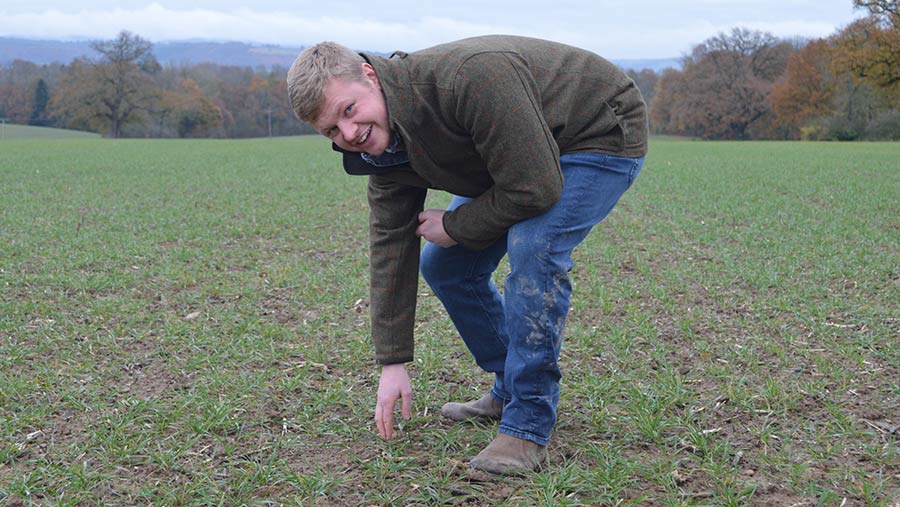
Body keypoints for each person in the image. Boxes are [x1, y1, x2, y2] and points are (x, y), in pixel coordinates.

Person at [287, 35, 648, 475]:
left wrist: (456, 226)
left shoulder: (472, 78)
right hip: (522, 157)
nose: (349, 134)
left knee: (535, 247)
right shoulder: (383, 152)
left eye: (348, 111)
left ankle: (528, 425)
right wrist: (392, 360)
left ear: (369, 75)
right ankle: (509, 387)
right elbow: (390, 247)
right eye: (331, 131)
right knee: (445, 265)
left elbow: (535, 187)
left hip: (595, 131)